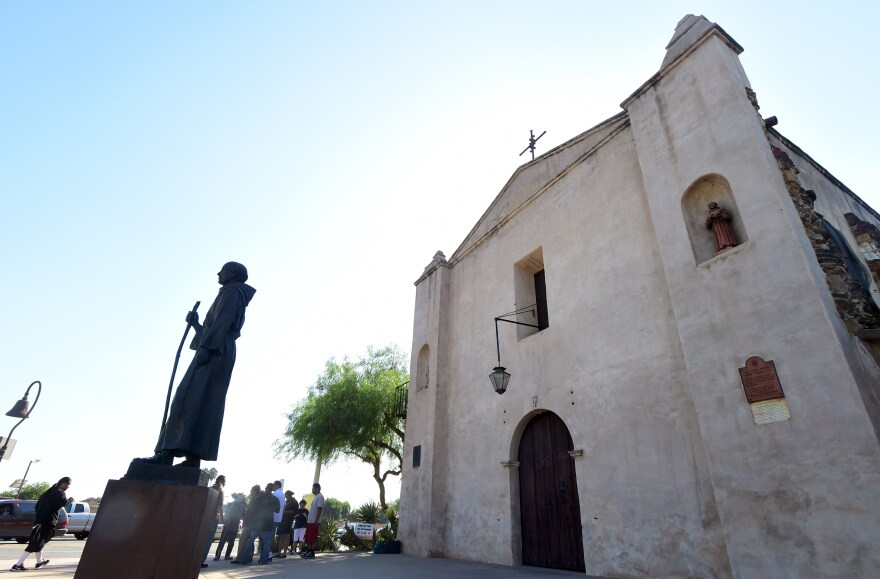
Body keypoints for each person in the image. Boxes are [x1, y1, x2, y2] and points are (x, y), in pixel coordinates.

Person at [136, 262, 256, 468]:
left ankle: (167, 453)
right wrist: (196, 325)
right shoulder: (231, 293)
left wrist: (206, 348)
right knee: (203, 402)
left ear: (234, 274)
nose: (219, 273)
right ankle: (193, 457)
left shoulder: (232, 292)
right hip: (219, 348)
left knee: (186, 398)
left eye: (224, 269)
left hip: (216, 349)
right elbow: (217, 326)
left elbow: (222, 323)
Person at [10, 477, 71, 572]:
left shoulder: (48, 492)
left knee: (40, 542)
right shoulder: (59, 492)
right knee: (35, 543)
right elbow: (64, 502)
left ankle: (39, 562)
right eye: (68, 484)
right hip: (47, 522)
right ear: (63, 483)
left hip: (39, 521)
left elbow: (37, 505)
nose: (69, 486)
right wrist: (70, 500)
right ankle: (17, 565)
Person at [233, 483, 278, 566]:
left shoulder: (258, 498)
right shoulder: (274, 499)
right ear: (273, 489)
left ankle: (244, 560)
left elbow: (251, 508)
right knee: (266, 544)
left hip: (257, 524)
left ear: (266, 488)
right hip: (268, 524)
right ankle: (263, 561)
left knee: (249, 541)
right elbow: (277, 510)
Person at [200, 475, 225, 567]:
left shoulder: (210, 489)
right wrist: (222, 518)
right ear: (223, 482)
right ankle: (201, 560)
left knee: (201, 539)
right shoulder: (220, 491)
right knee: (208, 540)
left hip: (204, 517)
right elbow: (219, 507)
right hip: (213, 518)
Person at [233, 485, 261, 562]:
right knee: (249, 541)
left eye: (252, 490)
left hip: (250, 523)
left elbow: (252, 510)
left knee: (243, 541)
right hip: (250, 522)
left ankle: (239, 558)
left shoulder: (256, 499)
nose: (250, 491)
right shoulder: (255, 499)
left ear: (255, 491)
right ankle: (248, 558)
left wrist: (244, 503)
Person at [216, 492, 245, 560]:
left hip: (234, 526)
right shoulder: (230, 505)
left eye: (241, 499)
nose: (240, 500)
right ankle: (217, 555)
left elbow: (244, 516)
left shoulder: (242, 507)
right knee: (222, 541)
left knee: (231, 542)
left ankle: (227, 555)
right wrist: (226, 519)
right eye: (239, 498)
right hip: (228, 525)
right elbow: (226, 513)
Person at [301, 482, 324, 559]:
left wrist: (316, 520)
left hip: (315, 521)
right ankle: (309, 550)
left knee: (313, 537)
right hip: (310, 520)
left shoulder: (320, 497)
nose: (312, 490)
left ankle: (312, 552)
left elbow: (319, 508)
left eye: (313, 488)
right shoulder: (316, 497)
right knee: (309, 536)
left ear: (317, 489)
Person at [276, 490, 297, 558]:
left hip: (288, 521)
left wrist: (283, 512)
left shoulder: (294, 502)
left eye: (286, 495)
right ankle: (279, 552)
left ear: (290, 495)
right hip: (282, 520)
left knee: (286, 536)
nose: (285, 496)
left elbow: (293, 512)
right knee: (281, 536)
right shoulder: (286, 501)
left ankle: (284, 553)